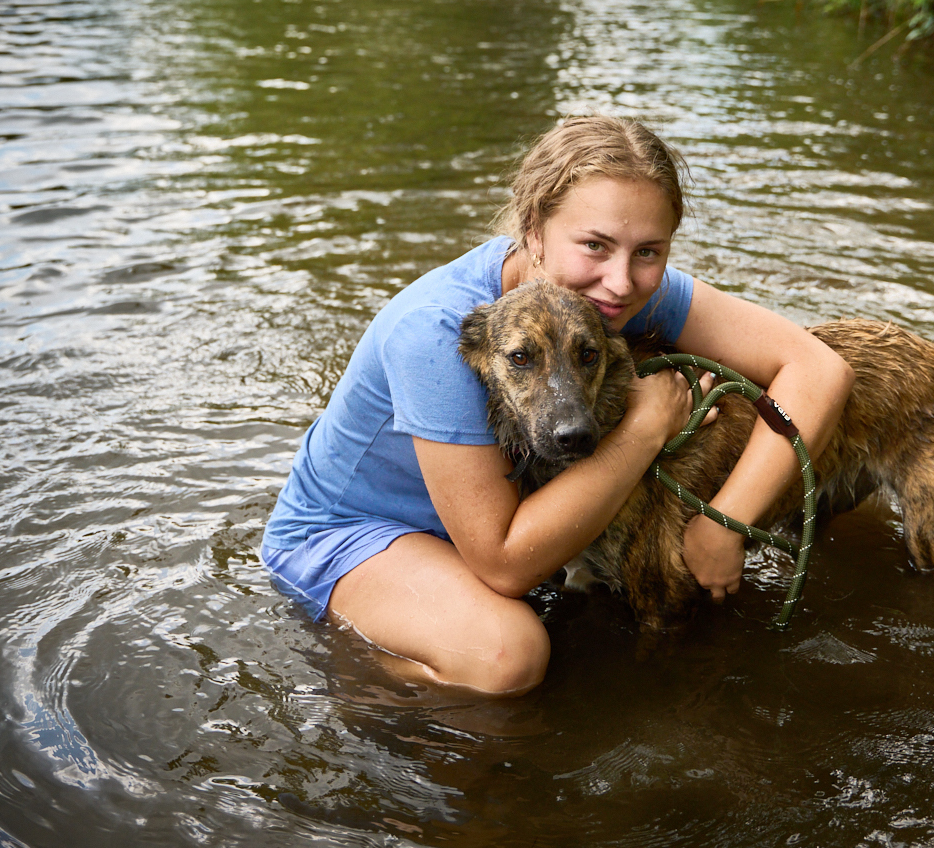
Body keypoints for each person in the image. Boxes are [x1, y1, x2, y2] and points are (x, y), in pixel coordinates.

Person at [260, 116, 854, 695]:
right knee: (508, 656)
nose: (621, 282)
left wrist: (726, 523)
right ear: (534, 230)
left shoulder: (606, 291)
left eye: (649, 251)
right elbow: (504, 564)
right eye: (594, 244)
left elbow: (818, 368)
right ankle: (346, 680)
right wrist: (645, 428)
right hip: (355, 533)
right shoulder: (436, 333)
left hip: (482, 528)